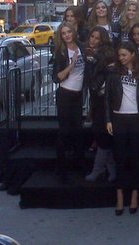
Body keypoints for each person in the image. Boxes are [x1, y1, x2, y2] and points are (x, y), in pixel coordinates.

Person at [105, 42, 139, 216]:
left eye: (124, 55)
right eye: (119, 55)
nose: (121, 58)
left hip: (137, 118)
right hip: (119, 117)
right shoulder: (113, 72)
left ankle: (135, 195)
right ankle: (120, 196)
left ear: (133, 54)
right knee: (120, 158)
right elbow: (106, 97)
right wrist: (108, 119)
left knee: (137, 158)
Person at [51, 22, 87, 182]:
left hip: (78, 95)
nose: (67, 35)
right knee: (64, 132)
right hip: (65, 94)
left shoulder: (82, 48)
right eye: (63, 33)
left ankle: (79, 166)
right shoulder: (60, 52)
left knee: (78, 131)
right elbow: (56, 77)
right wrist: (71, 66)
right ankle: (61, 170)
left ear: (73, 32)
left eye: (68, 32)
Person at [84, 27, 116, 183]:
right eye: (92, 36)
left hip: (105, 99)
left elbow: (107, 73)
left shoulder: (106, 54)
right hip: (96, 98)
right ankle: (111, 170)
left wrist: (94, 56)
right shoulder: (89, 54)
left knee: (103, 136)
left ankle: (98, 170)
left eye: (97, 38)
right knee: (101, 135)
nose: (93, 40)